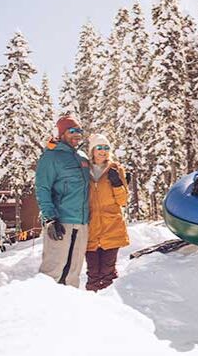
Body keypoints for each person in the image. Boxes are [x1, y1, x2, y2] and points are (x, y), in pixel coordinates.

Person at [35, 115, 91, 286]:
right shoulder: (51, 157)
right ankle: (41, 309)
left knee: (73, 274)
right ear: (61, 133)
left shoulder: (82, 157)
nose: (77, 135)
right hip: (61, 222)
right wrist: (50, 219)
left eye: (79, 131)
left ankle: (69, 310)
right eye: (72, 131)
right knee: (53, 271)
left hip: (81, 223)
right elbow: (42, 188)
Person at [84, 134, 129, 292]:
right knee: (93, 273)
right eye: (99, 147)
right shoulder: (84, 170)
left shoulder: (116, 169)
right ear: (92, 150)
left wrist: (117, 183)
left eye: (106, 148)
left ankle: (111, 307)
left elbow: (123, 200)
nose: (103, 151)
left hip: (112, 225)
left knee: (108, 272)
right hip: (91, 227)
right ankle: (92, 305)